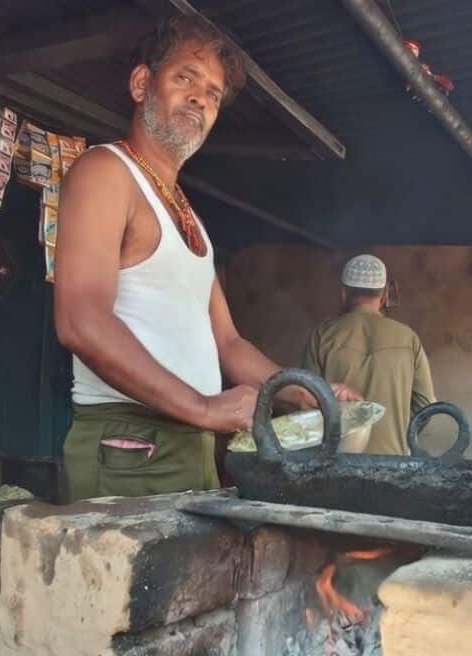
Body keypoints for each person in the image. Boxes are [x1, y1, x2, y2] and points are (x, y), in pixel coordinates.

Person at [52, 15, 358, 502]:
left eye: (213, 94)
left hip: (190, 442)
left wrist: (305, 392)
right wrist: (205, 407)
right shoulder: (105, 171)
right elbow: (80, 320)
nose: (200, 98)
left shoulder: (187, 215)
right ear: (141, 84)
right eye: (185, 78)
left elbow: (228, 343)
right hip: (130, 442)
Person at [301, 254, 435, 455]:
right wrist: (398, 432)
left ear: (343, 294)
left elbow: (305, 399)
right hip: (393, 462)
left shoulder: (323, 335)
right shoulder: (408, 338)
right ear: (384, 295)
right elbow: (426, 405)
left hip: (336, 463)